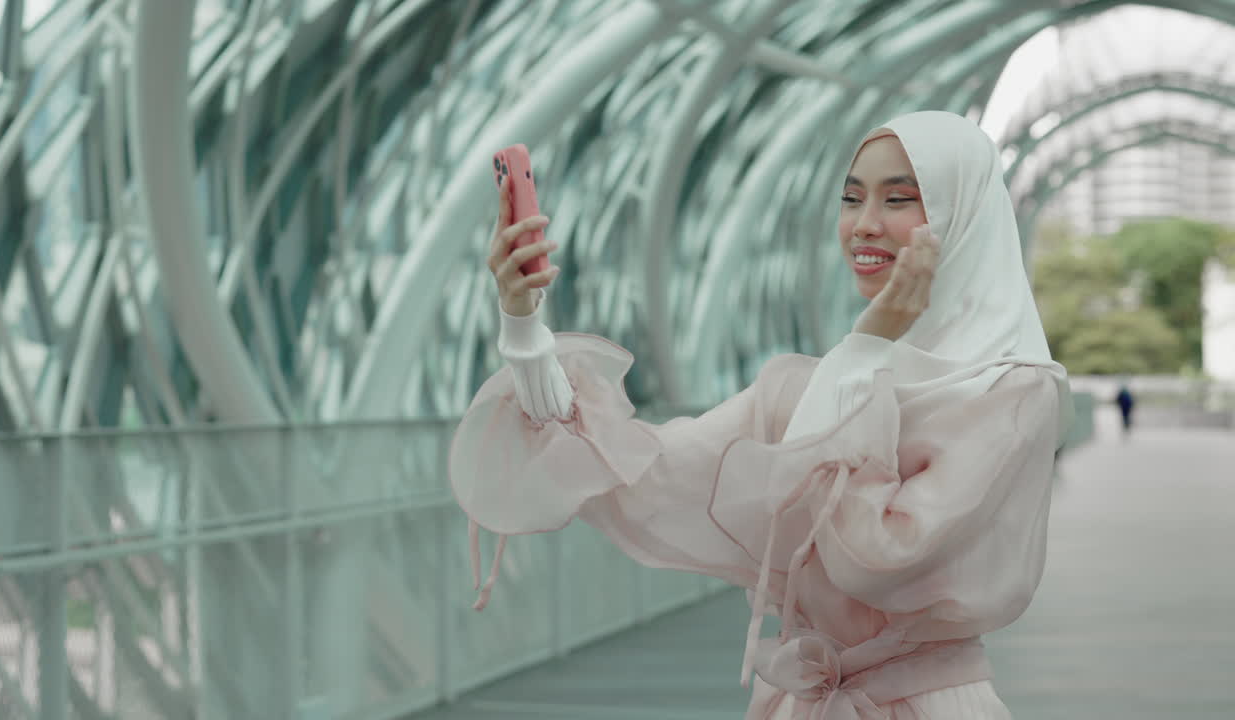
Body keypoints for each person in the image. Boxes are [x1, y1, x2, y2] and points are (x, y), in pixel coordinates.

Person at [449, 111, 1072, 719]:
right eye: (851, 200)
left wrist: (865, 351)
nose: (864, 225)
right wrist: (523, 328)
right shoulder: (813, 387)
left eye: (900, 200)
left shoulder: (1012, 393)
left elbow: (876, 557)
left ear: (963, 218)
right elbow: (645, 472)